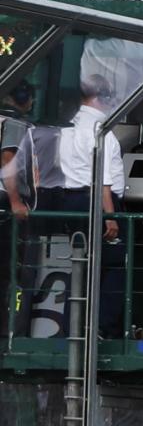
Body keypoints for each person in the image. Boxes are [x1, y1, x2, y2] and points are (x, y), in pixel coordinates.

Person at [1, 70, 127, 338]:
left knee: (79, 265)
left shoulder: (66, 129)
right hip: (97, 203)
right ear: (102, 98)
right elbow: (102, 181)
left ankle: (73, 326)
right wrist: (111, 216)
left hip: (67, 200)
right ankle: (101, 327)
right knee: (113, 264)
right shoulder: (102, 131)